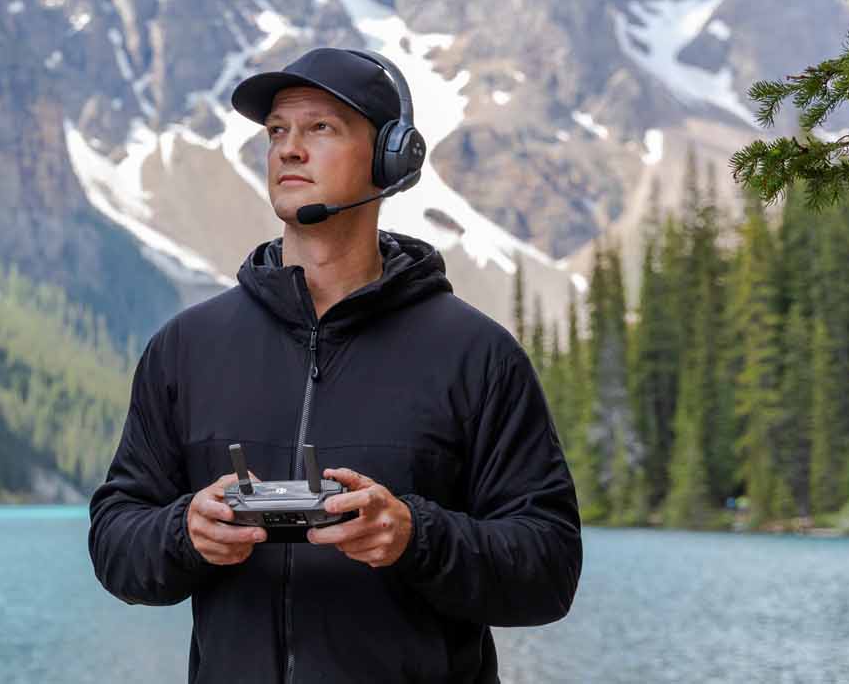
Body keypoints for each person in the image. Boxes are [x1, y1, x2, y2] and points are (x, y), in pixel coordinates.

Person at [88, 46, 581, 683]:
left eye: (320, 128)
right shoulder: (186, 348)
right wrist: (185, 533)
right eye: (277, 132)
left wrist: (415, 537)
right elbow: (114, 541)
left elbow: (550, 568)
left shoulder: (477, 356)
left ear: (391, 159)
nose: (289, 149)